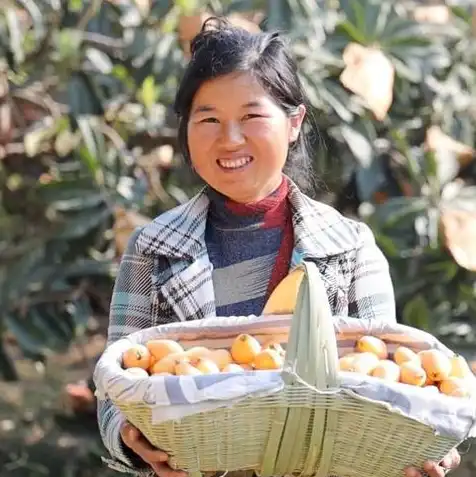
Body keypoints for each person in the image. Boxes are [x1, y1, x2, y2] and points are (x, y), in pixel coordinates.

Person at [97, 18, 461, 477]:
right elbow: (114, 390)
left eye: (251, 117)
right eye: (208, 118)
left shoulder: (350, 247)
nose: (230, 139)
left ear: (294, 123)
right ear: (186, 128)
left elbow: (383, 376)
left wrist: (419, 442)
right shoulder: (153, 249)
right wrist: (131, 441)